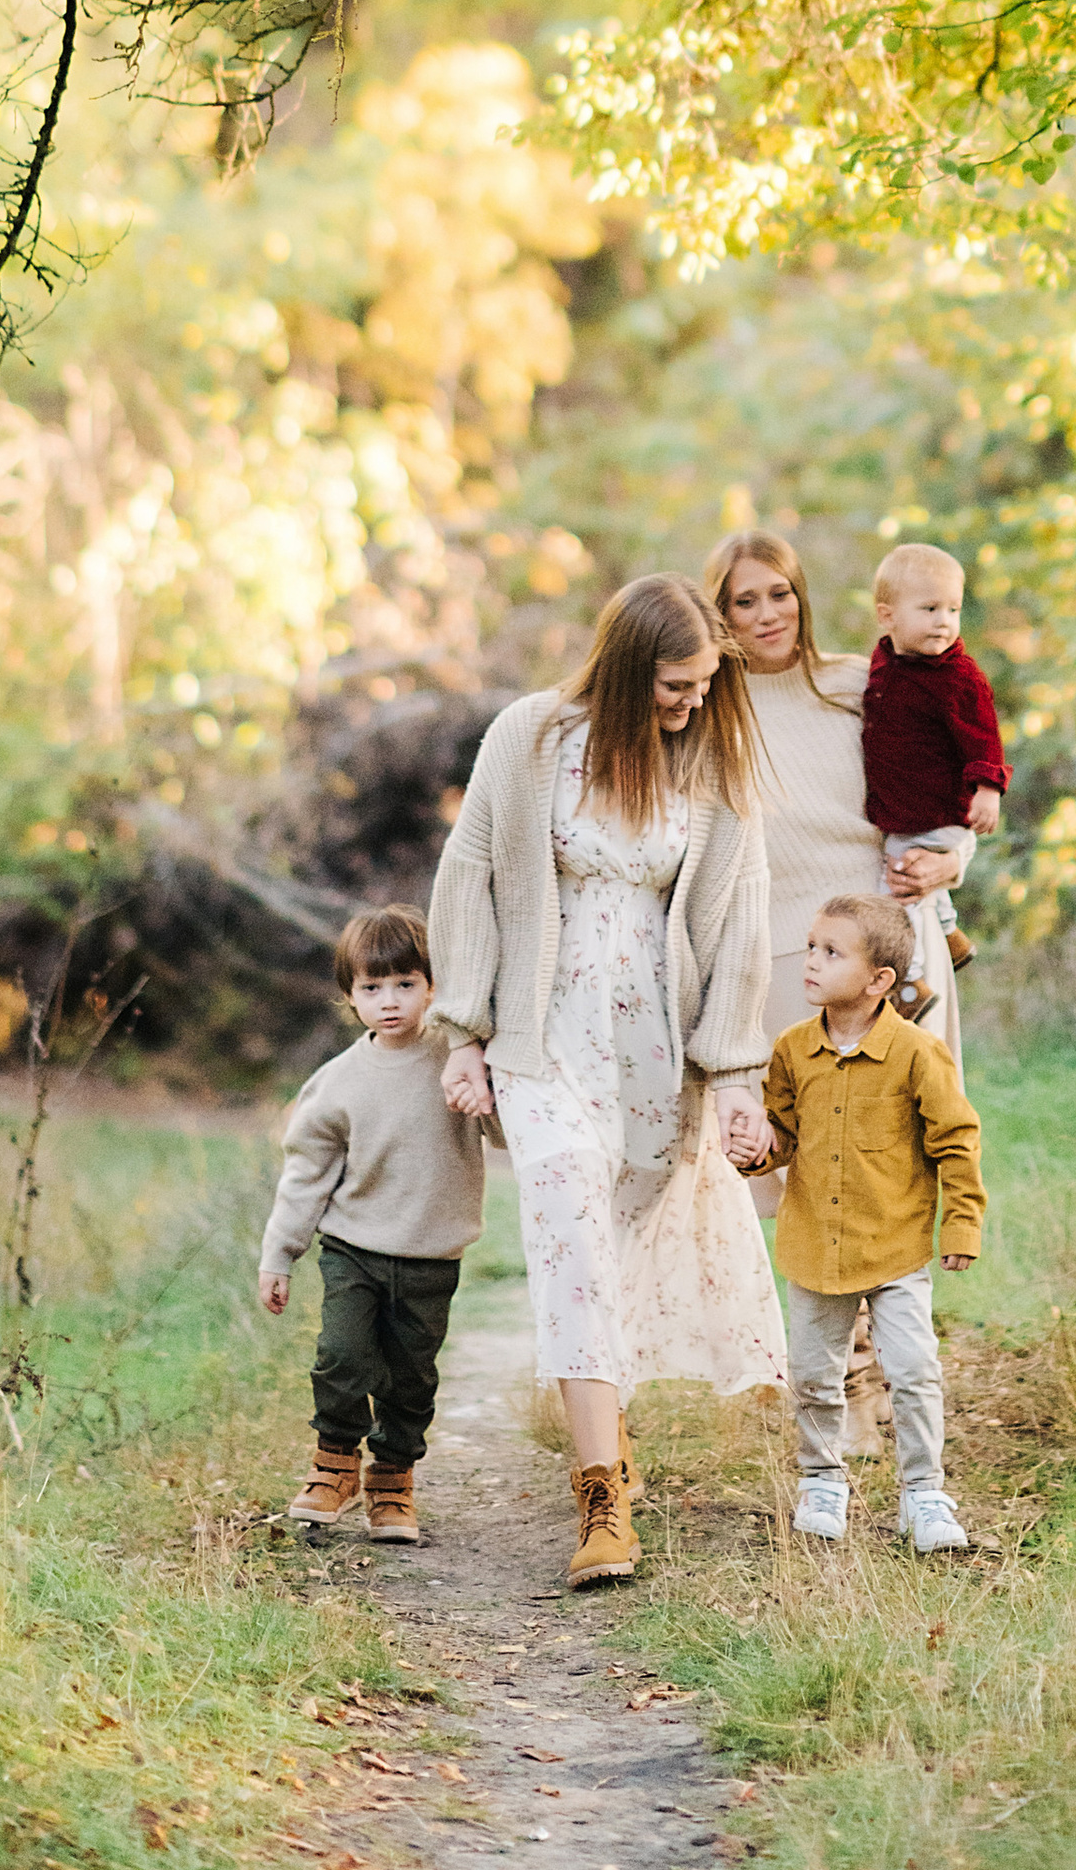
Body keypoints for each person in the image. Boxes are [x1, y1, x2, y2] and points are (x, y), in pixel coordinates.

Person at [429, 572, 783, 1589]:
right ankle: (601, 1494)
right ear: (627, 670)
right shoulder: (533, 739)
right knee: (566, 1212)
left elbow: (735, 927)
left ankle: (605, 1435)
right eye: (674, 685)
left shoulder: (709, 765)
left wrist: (731, 1075)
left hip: (652, 1054)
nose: (690, 703)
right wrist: (463, 1030)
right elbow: (472, 877)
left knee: (612, 1246)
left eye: (704, 684)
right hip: (542, 1041)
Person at [754, 890, 984, 1555]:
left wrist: (961, 1226)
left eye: (831, 952)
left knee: (913, 1369)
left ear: (879, 979)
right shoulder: (793, 1050)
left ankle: (924, 1490)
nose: (811, 961)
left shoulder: (917, 1053)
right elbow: (783, 1137)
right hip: (816, 1248)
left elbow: (956, 1140)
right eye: (811, 947)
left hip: (896, 1245)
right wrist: (756, 1150)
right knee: (814, 1372)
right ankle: (823, 1479)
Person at [256, 901, 487, 1545]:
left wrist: (485, 1091)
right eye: (372, 987)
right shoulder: (336, 1084)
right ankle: (333, 1466)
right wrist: (280, 1257)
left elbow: (500, 1124)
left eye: (406, 984)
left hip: (432, 1254)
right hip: (352, 1247)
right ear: (349, 996)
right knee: (342, 1357)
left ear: (434, 986)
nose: (390, 1001)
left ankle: (392, 1480)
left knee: (411, 1376)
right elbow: (306, 1176)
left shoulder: (459, 1057)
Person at [702, 527, 967, 1062]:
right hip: (788, 959)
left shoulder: (863, 684)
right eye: (744, 601)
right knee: (811, 1137)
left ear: (800, 595)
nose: (768, 614)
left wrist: (951, 862)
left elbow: (949, 781)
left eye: (780, 594)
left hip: (899, 941)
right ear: (720, 615)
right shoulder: (706, 715)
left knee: (922, 1132)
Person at [863, 542, 1009, 952]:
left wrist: (988, 789)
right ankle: (950, 936)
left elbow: (984, 736)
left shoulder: (958, 677)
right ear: (886, 616)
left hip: (937, 811)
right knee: (913, 889)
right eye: (929, 609)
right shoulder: (885, 661)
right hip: (905, 811)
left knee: (895, 892)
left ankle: (910, 980)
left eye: (953, 610)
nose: (944, 622)